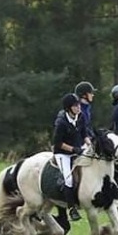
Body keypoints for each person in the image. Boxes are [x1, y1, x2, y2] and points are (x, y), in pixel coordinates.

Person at [52, 93, 87, 221]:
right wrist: (73, 149)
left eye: (79, 105)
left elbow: (84, 134)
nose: (78, 107)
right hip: (63, 154)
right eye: (75, 105)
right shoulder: (61, 123)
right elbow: (58, 143)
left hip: (78, 150)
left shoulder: (81, 117)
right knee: (68, 179)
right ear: (68, 108)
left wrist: (89, 143)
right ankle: (72, 209)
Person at [74, 81, 97, 145]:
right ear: (84, 95)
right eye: (91, 93)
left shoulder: (87, 108)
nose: (93, 95)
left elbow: (88, 127)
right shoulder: (79, 109)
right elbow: (82, 128)